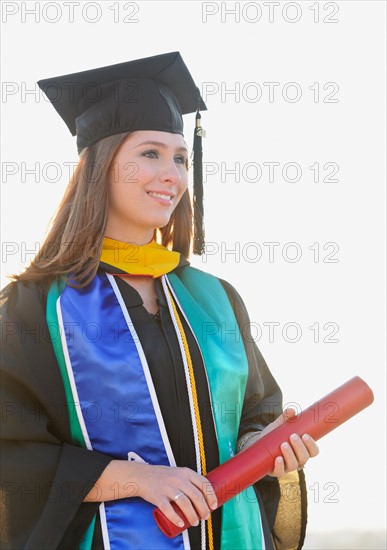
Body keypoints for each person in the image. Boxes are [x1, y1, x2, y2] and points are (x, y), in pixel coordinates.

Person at [0, 52, 319, 550]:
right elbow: (12, 451)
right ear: (101, 166)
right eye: (150, 153)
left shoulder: (213, 299)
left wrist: (267, 445)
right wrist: (138, 480)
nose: (171, 173)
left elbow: (257, 409)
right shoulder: (35, 307)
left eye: (180, 157)